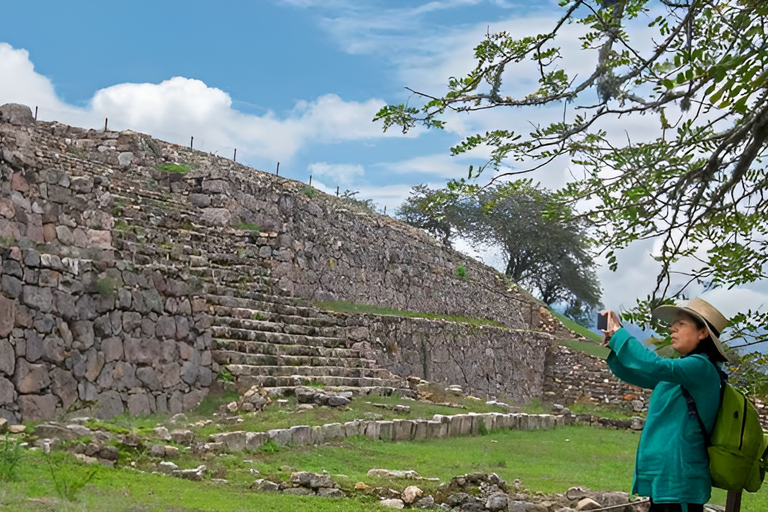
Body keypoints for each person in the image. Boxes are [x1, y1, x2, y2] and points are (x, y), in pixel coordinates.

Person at [601, 298, 730, 512]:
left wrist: (620, 334)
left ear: (703, 333)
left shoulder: (701, 368)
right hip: (667, 481)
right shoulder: (681, 372)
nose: (673, 328)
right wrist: (613, 343)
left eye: (682, 324)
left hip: (679, 482)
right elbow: (639, 372)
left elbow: (654, 365)